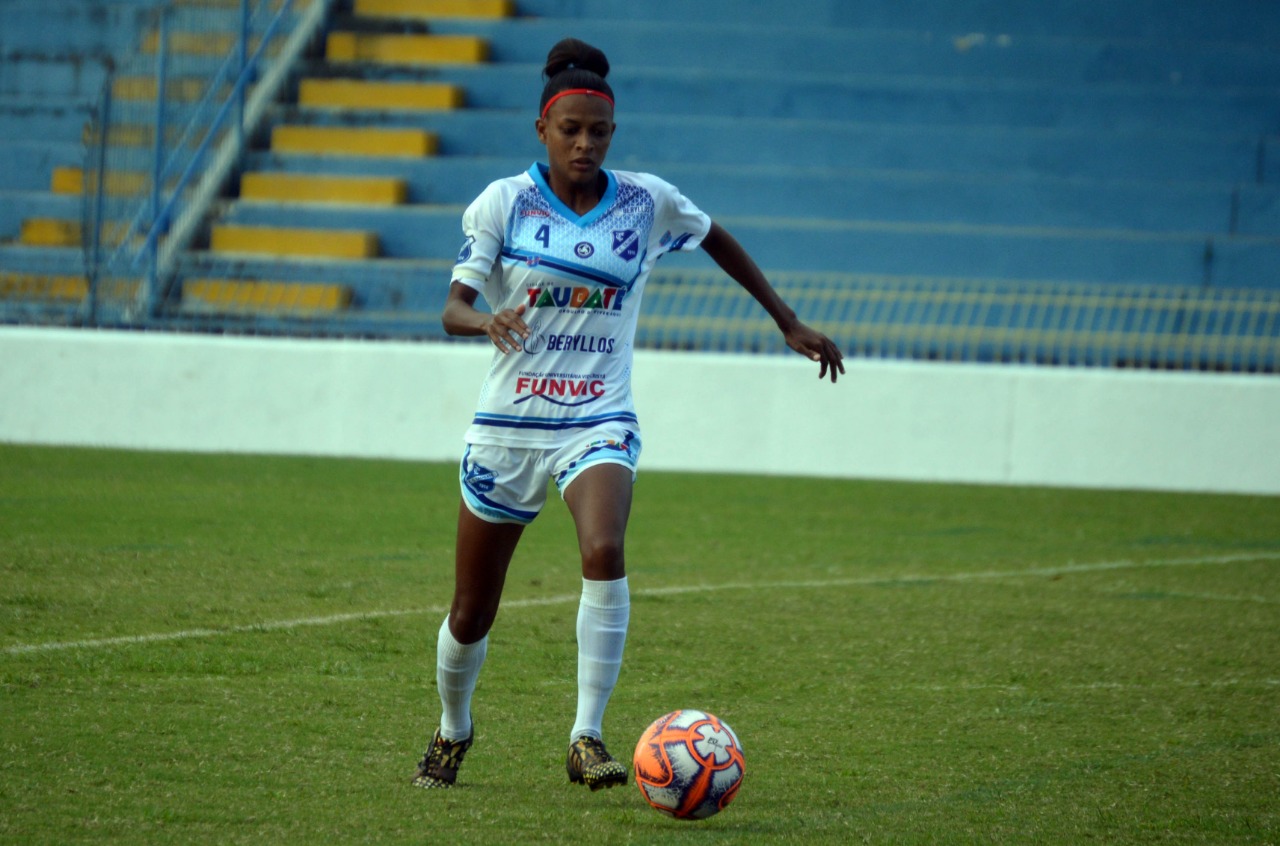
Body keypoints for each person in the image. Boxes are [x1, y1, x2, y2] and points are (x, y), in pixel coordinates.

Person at [412, 37, 844, 791]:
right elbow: (452, 307)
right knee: (472, 610)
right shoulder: (503, 203)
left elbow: (716, 238)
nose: (585, 143)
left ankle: (586, 737)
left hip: (597, 418)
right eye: (570, 129)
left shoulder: (646, 201)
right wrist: (487, 321)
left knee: (604, 549)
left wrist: (786, 319)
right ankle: (453, 729)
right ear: (542, 129)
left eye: (599, 131)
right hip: (508, 427)